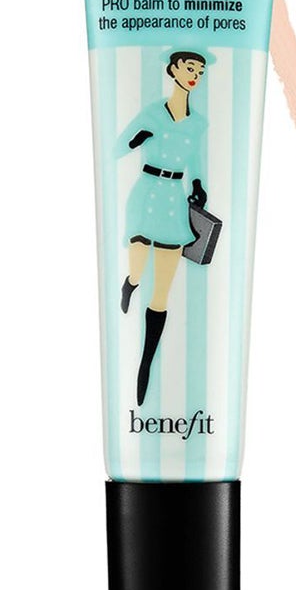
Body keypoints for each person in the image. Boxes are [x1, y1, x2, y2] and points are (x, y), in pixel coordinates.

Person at [115, 50, 210, 405]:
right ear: (173, 70)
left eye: (200, 70)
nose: (195, 74)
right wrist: (135, 140)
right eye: (189, 68)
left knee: (162, 292)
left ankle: (146, 364)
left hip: (173, 200)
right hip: (146, 194)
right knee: (139, 266)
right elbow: (116, 148)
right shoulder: (153, 113)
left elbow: (195, 158)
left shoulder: (198, 124)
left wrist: (198, 184)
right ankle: (130, 283)